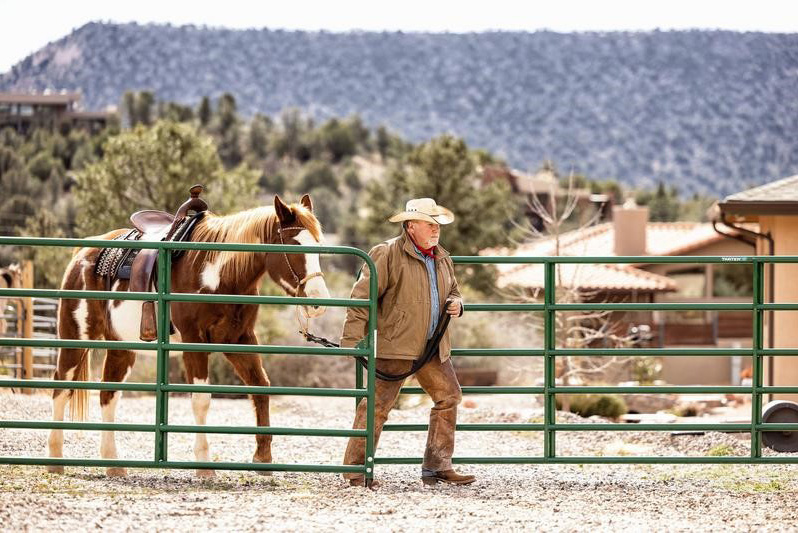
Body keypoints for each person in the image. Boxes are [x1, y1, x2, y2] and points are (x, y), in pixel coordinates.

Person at [340, 198, 475, 488]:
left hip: (432, 348)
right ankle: (355, 471)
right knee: (376, 406)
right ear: (411, 226)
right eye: (430, 223)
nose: (436, 229)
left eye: (437, 224)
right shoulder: (386, 253)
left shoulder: (442, 257)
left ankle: (438, 466)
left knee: (449, 396)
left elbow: (453, 289)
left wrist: (457, 303)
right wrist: (351, 339)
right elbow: (362, 297)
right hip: (396, 346)